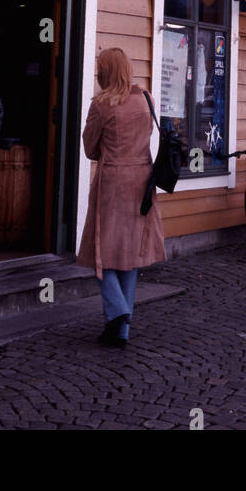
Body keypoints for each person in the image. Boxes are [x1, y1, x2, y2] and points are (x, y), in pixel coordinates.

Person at [75, 47, 165, 346]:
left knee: (103, 251)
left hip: (113, 181)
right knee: (130, 254)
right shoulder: (147, 99)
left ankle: (118, 312)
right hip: (142, 180)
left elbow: (90, 149)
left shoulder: (102, 105)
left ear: (106, 72)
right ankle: (120, 330)